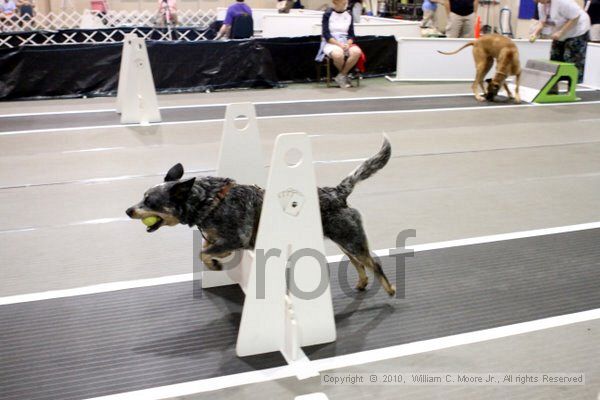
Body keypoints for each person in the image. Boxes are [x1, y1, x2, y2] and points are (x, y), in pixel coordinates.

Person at [531, 0, 591, 82]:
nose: (536, 2)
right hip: (560, 31)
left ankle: (573, 85)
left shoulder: (563, 1)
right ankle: (555, 83)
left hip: (578, 30)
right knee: (555, 57)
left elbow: (575, 17)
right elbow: (542, 21)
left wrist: (561, 32)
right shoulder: (541, 5)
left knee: (571, 58)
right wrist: (535, 33)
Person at [316, 0, 363, 88]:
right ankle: (345, 76)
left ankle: (341, 76)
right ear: (336, 3)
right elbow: (326, 34)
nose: (346, 5)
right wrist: (339, 45)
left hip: (345, 41)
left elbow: (351, 35)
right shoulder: (327, 14)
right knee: (338, 55)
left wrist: (348, 44)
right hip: (331, 41)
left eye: (346, 3)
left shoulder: (349, 15)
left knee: (357, 52)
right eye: (344, 3)